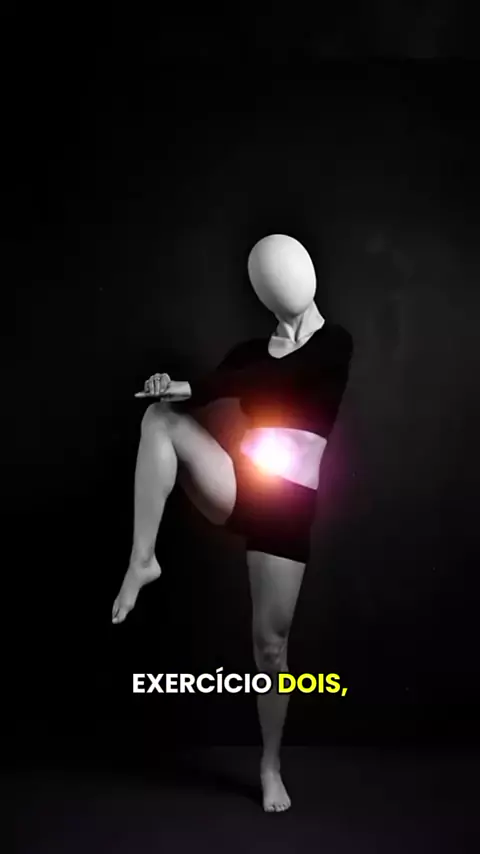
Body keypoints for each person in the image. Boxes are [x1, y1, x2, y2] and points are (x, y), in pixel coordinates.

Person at [112, 233, 353, 812]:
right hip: (241, 485)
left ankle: (270, 765)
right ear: (262, 292)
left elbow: (271, 381)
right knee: (160, 419)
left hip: (287, 510)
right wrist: (173, 388)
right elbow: (214, 389)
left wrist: (196, 384)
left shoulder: (334, 344)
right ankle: (143, 559)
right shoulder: (249, 351)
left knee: (270, 649)